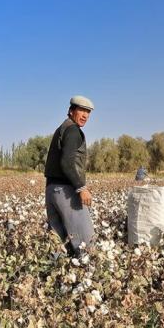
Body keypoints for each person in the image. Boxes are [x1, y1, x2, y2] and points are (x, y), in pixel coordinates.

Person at [44, 95, 96, 257]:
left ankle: (53, 279)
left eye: (88, 112)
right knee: (86, 246)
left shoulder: (61, 129)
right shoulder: (73, 130)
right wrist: (81, 188)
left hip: (51, 190)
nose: (85, 115)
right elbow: (67, 163)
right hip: (66, 192)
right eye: (81, 110)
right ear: (71, 111)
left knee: (59, 246)